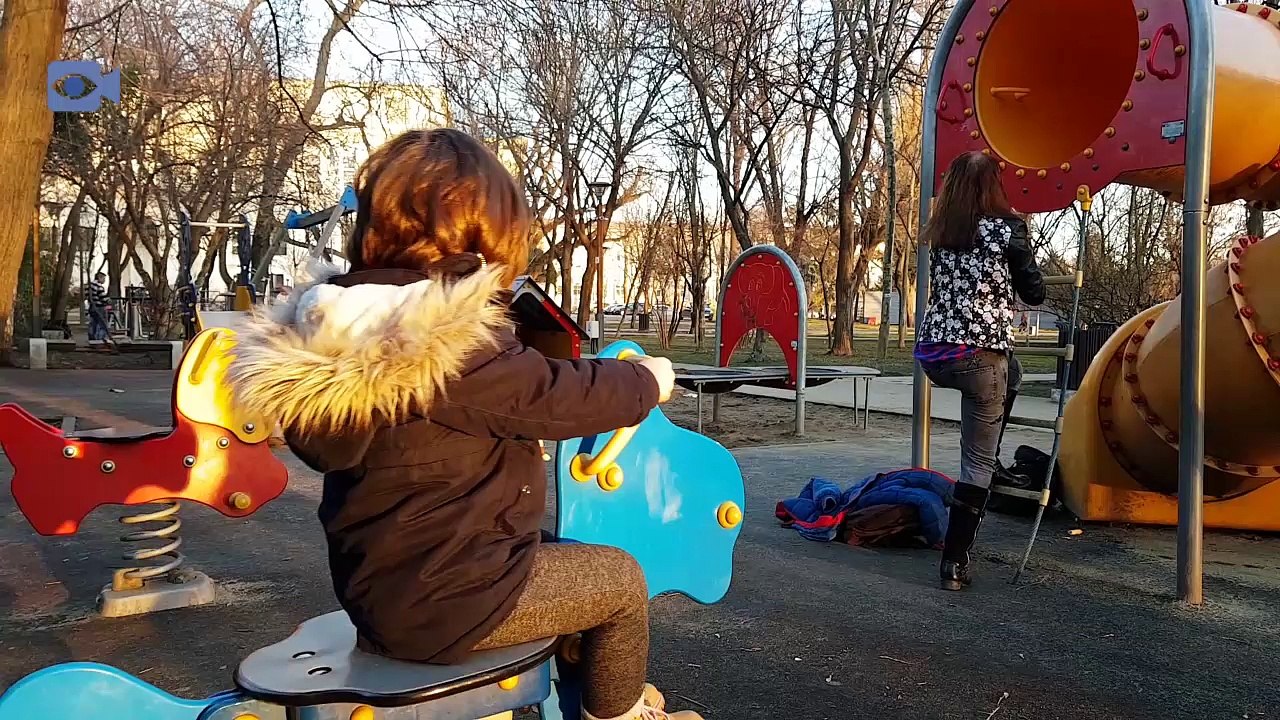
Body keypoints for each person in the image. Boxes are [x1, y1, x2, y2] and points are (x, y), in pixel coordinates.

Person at [227, 129, 696, 720]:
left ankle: (600, 677)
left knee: (566, 556)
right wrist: (645, 381)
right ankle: (618, 711)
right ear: (477, 245)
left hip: (383, 593)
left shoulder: (347, 335)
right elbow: (554, 397)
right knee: (619, 580)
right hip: (454, 601)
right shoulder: (440, 339)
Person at [914, 151, 1045, 591]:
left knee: (1014, 373)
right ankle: (954, 562)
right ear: (994, 187)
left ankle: (992, 459)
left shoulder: (941, 229)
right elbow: (1034, 292)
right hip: (979, 356)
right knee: (976, 463)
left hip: (935, 354)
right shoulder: (1008, 229)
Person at [86, 272, 111, 345]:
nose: (104, 280)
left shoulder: (89, 286)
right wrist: (108, 300)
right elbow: (103, 298)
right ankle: (100, 339)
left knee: (93, 323)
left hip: (92, 307)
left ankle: (92, 338)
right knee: (102, 324)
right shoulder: (99, 286)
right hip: (99, 307)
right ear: (99, 278)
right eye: (103, 278)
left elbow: (87, 296)